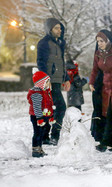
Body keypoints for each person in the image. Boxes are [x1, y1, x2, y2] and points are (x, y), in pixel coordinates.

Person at [37, 18, 70, 146]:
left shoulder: (60, 43)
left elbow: (61, 63)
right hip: (49, 81)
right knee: (60, 107)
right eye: (57, 28)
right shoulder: (44, 43)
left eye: (60, 28)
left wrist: (66, 78)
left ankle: (46, 136)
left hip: (57, 80)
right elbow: (41, 62)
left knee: (50, 108)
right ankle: (54, 136)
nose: (59, 30)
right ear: (49, 29)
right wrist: (45, 79)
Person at [27, 71, 56, 157]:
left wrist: (50, 116)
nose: (49, 84)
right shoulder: (36, 93)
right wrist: (39, 119)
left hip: (43, 116)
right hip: (37, 117)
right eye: (47, 82)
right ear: (41, 83)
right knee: (37, 133)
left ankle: (39, 148)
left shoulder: (45, 92)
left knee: (42, 133)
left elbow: (49, 105)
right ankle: (36, 149)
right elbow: (37, 107)